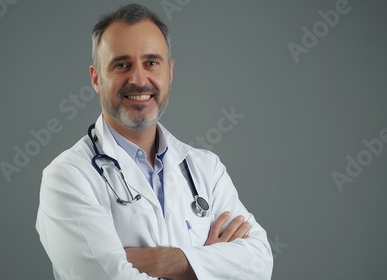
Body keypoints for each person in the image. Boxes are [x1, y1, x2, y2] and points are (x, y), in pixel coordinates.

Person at [36, 3, 273, 279]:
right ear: (96, 78)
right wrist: (208, 264)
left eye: (151, 62)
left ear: (169, 73)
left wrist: (166, 261)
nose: (139, 79)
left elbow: (259, 264)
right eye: (122, 65)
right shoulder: (67, 177)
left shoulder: (206, 169)